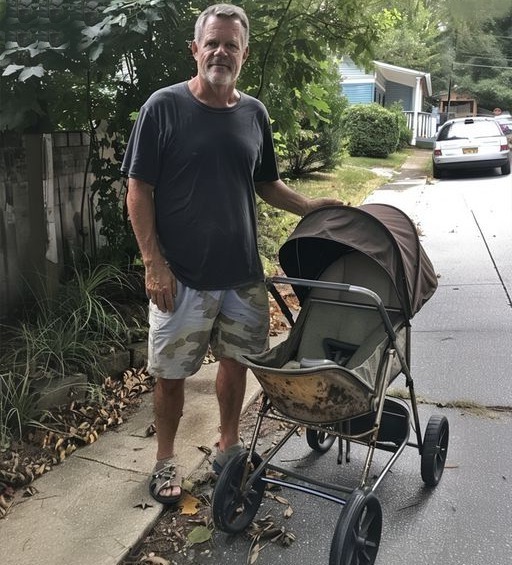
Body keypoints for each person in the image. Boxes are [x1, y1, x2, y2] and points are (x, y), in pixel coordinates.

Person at [121, 3, 341, 505]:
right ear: (195, 50)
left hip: (243, 275)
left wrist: (309, 205)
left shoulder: (253, 113)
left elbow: (266, 182)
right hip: (182, 276)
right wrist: (153, 263)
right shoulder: (164, 107)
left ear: (244, 53)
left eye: (232, 45)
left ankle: (228, 447)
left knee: (237, 364)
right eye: (213, 43)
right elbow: (138, 189)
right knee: (170, 374)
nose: (221, 52)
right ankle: (164, 462)